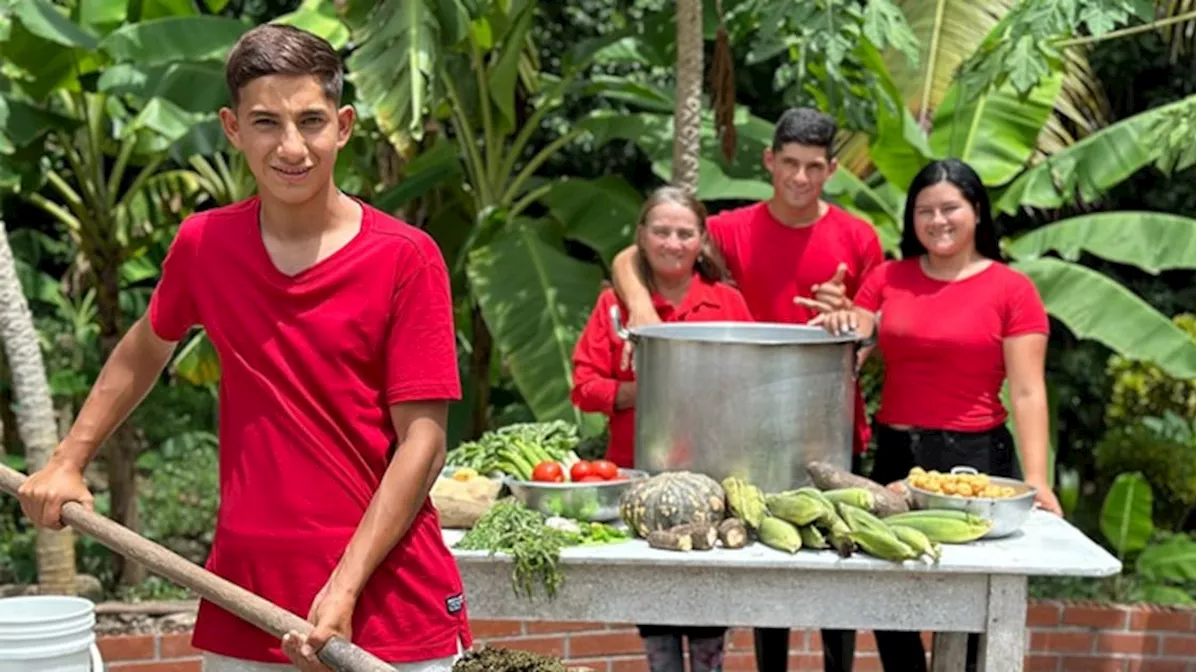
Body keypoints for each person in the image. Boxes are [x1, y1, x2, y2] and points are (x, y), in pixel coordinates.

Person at [17, 24, 470, 672]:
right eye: (266, 122)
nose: (292, 147)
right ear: (231, 128)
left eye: (311, 121)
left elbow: (423, 444)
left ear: (343, 126)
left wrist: (343, 588)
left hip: (387, 609)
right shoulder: (205, 246)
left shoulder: (406, 258)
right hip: (246, 602)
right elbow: (146, 346)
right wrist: (68, 459)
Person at [608, 108, 883, 672]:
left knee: (837, 571)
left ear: (831, 168)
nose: (800, 179)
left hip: (825, 434)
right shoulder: (733, 229)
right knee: (760, 578)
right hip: (741, 438)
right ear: (769, 161)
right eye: (789, 164)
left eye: (813, 167)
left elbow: (874, 326)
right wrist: (637, 305)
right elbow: (632, 254)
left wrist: (850, 316)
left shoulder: (858, 237)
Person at [808, 158, 1064, 671]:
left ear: (976, 212)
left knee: (970, 602)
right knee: (884, 593)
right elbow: (860, 323)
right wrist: (844, 315)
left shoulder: (1013, 290)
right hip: (896, 458)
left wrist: (1037, 480)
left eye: (950, 208)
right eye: (925, 211)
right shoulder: (888, 278)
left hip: (975, 461)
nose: (937, 220)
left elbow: (1029, 391)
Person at [571, 185, 750, 672]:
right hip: (638, 475)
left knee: (709, 594)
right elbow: (584, 384)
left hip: (713, 476)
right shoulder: (614, 305)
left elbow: (749, 385)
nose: (673, 242)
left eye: (685, 233)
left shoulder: (727, 304)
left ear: (702, 241)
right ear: (642, 237)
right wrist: (635, 393)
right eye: (662, 231)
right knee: (654, 599)